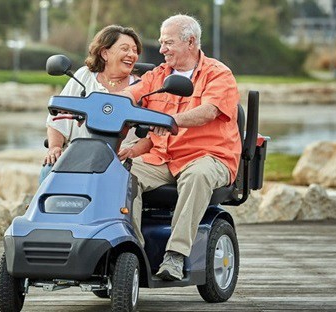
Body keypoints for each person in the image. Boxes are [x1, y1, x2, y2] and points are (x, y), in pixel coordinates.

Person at [120, 14, 241, 281]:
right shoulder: (158, 75)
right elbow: (132, 93)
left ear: (190, 42)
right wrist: (115, 101)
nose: (162, 49)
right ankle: (134, 253)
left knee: (197, 177)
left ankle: (175, 256)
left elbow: (209, 111)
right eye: (162, 42)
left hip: (209, 156)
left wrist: (171, 121)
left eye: (168, 43)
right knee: (123, 175)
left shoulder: (218, 74)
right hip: (163, 157)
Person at [40, 25, 149, 183]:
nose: (131, 54)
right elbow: (58, 119)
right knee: (49, 170)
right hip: (80, 154)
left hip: (121, 161)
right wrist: (55, 147)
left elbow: (153, 136)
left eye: (134, 50)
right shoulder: (83, 76)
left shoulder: (143, 87)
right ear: (105, 53)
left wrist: (133, 151)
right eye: (125, 49)